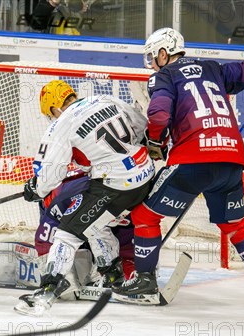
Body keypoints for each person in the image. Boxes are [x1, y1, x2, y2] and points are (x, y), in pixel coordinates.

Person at [114, 28, 244, 307]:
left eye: (151, 56)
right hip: (231, 159)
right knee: (234, 224)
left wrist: (155, 141)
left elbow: (158, 114)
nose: (150, 62)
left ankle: (144, 281)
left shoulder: (165, 75)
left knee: (145, 216)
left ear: (163, 53)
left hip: (193, 160)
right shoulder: (213, 68)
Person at [14, 79, 155, 315]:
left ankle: (48, 289)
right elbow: (141, 126)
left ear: (54, 108)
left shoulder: (63, 123)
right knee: (93, 223)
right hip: (145, 173)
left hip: (117, 184)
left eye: (50, 114)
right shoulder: (104, 100)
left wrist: (35, 189)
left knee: (67, 232)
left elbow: (52, 173)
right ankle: (112, 274)